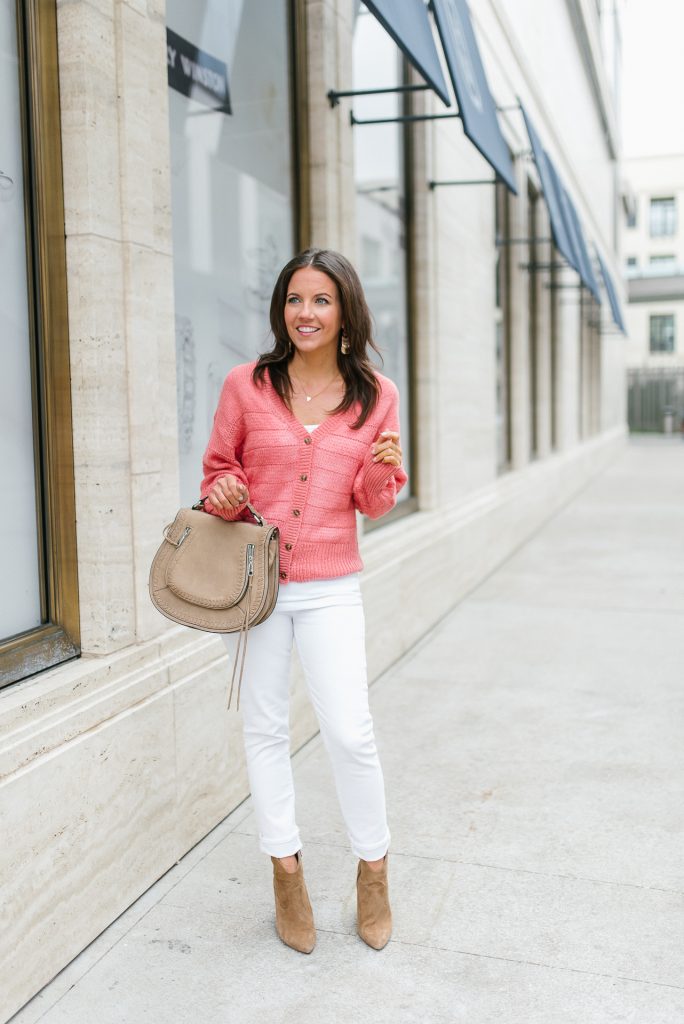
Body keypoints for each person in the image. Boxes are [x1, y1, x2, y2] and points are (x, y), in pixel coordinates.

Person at [199, 247, 407, 954]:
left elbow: (373, 504)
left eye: (321, 300)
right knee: (263, 728)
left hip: (330, 585)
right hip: (256, 587)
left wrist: (387, 473)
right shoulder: (246, 384)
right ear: (280, 310)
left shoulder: (377, 393)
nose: (306, 313)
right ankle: (285, 871)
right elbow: (218, 471)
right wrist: (223, 492)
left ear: (345, 310)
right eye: (295, 299)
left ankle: (372, 869)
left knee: (350, 730)